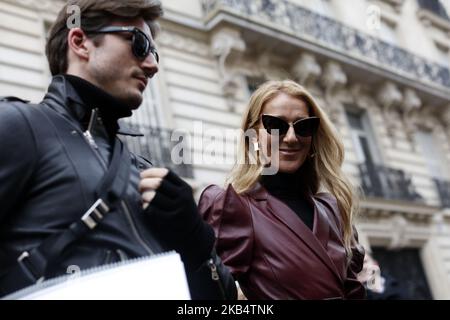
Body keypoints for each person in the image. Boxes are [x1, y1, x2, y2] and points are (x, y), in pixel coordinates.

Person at [0, 0, 236, 300]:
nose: (152, 65)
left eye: (154, 52)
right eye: (139, 44)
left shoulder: (143, 170)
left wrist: (195, 241)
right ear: (81, 42)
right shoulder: (19, 125)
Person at [199, 80, 366, 299]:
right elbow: (207, 295)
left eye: (303, 126)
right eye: (276, 125)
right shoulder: (232, 206)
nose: (290, 137)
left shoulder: (333, 208)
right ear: (254, 134)